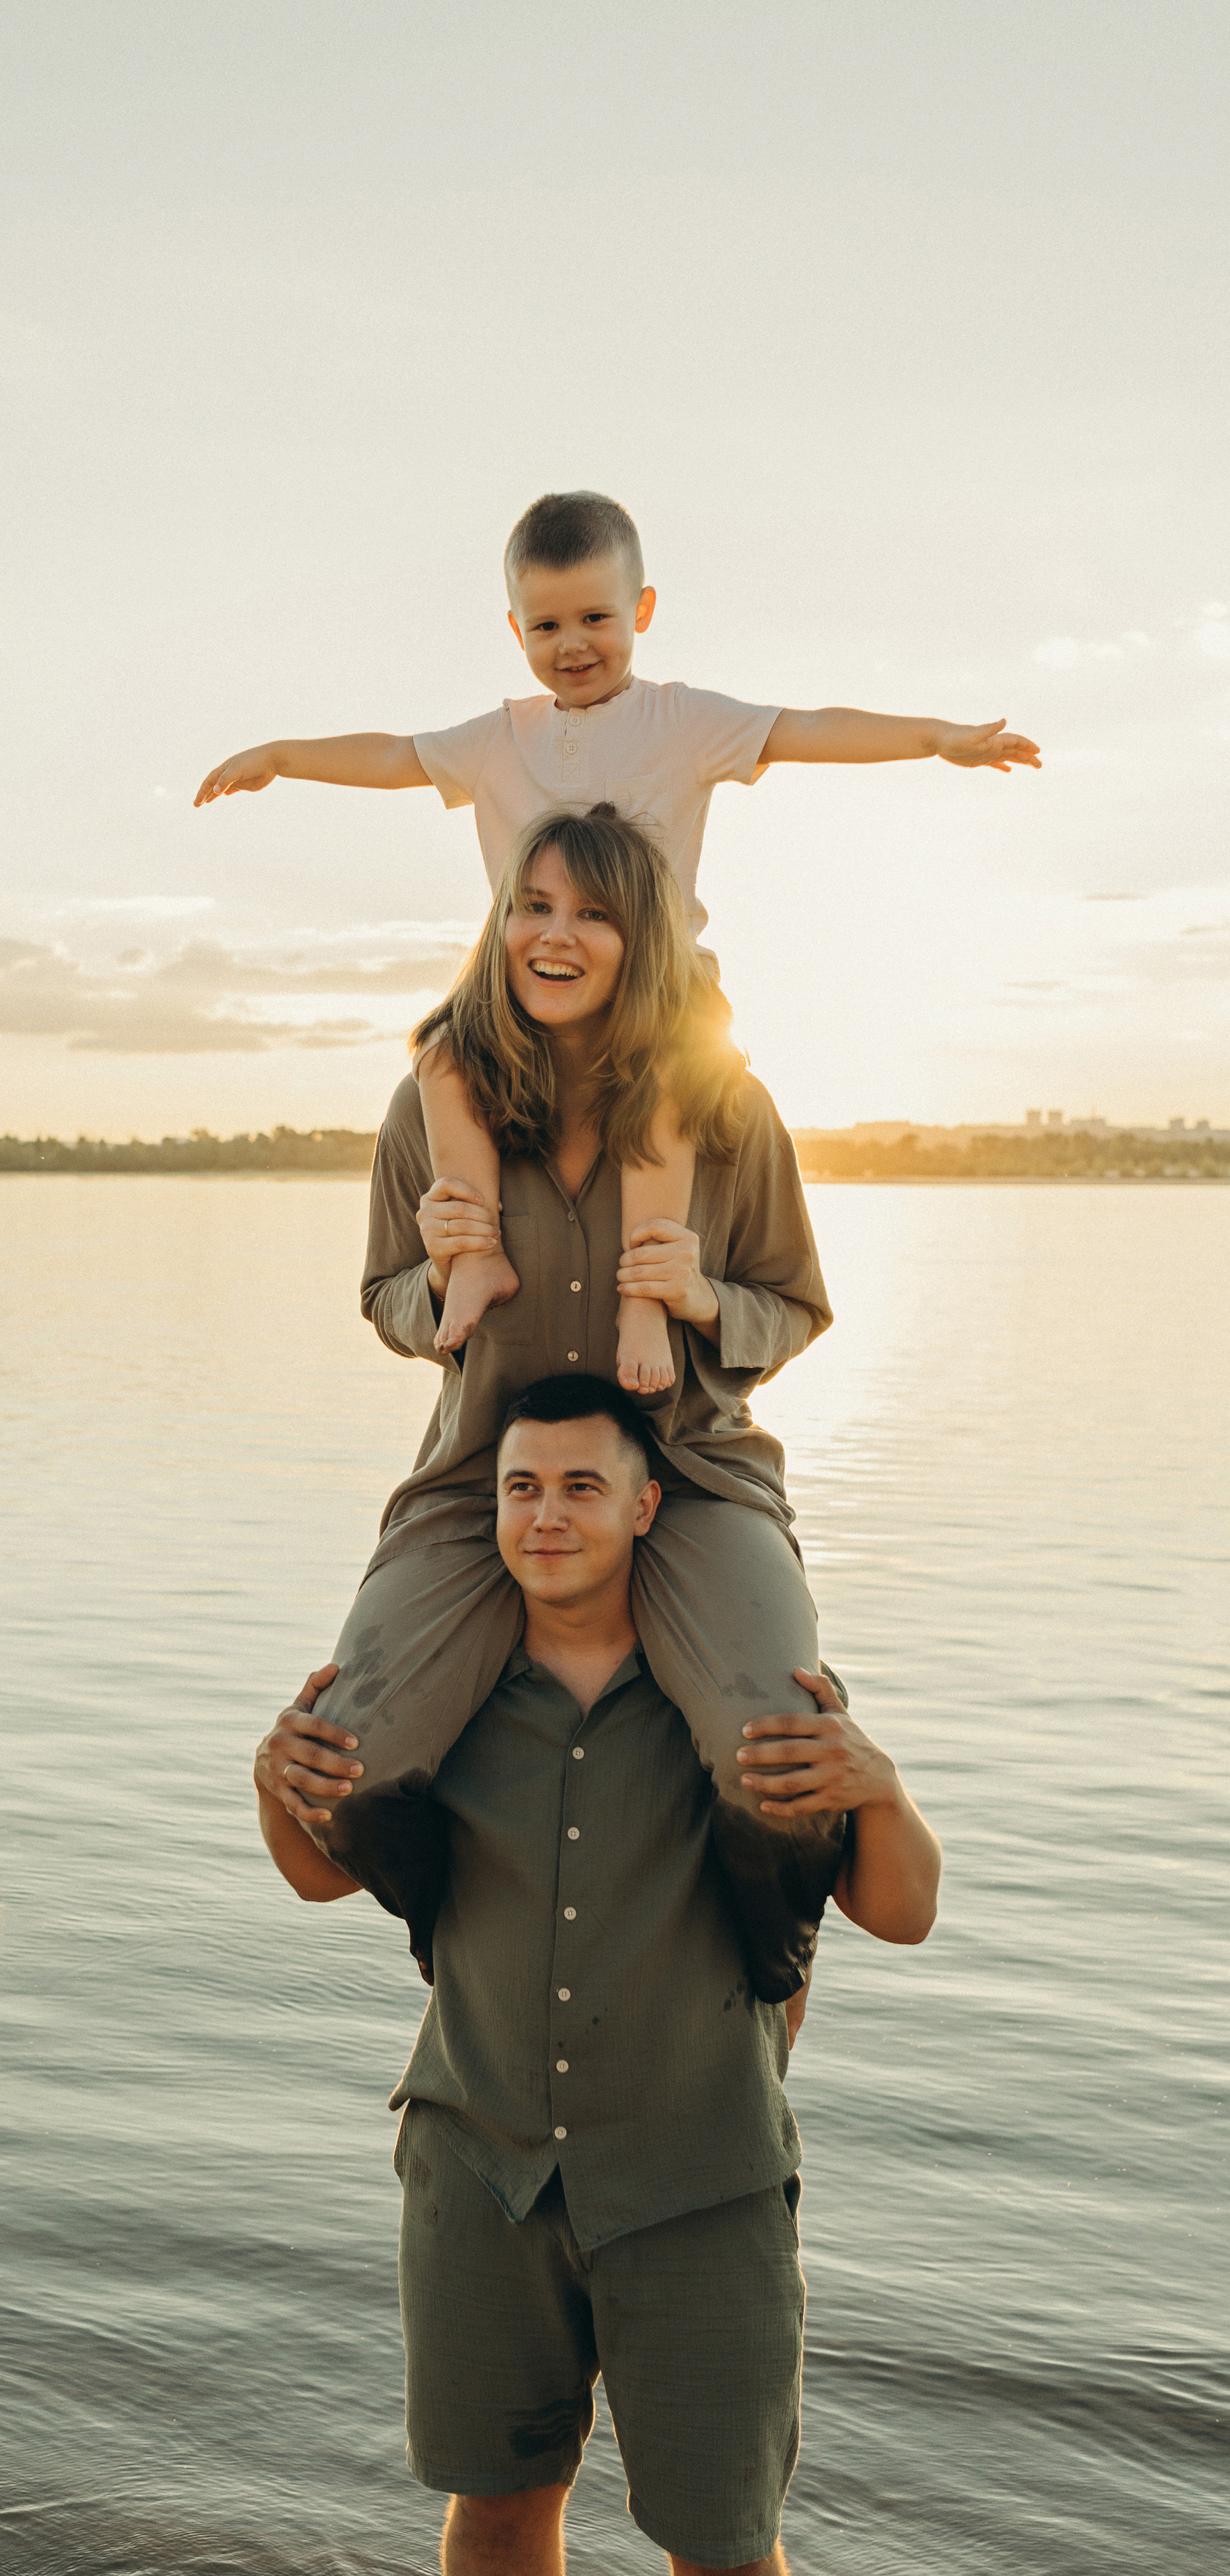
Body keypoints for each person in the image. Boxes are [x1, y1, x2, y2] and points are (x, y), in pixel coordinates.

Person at [255, 1378, 941, 2576]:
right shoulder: (437, 1701)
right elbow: (312, 1874)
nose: (548, 1516)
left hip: (703, 2185)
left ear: (647, 1505)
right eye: (522, 1487)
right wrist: (269, 1780)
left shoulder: (745, 1696)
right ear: (490, 1508)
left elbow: (900, 1915)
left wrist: (884, 1791)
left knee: (727, 2549)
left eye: (581, 1487)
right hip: (480, 2168)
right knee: (498, 2507)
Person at [195, 486, 1039, 1388]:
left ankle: (643, 1302)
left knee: (666, 1074)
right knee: (441, 1052)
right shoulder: (498, 739)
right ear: (515, 631)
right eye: (547, 625)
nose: (573, 645)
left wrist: (937, 738)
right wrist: (282, 757)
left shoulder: (684, 721)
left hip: (662, 986)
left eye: (596, 617)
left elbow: (809, 730)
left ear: (642, 611)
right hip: (526, 994)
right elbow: (393, 756)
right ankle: (474, 1257)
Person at [293, 800, 841, 1997]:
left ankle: (772, 1977)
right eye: (532, 907)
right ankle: (469, 1961)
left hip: (695, 1476)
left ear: (640, 938)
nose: (556, 936)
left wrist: (703, 1298)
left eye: (592, 914)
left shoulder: (729, 1113)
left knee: (783, 1771)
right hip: (486, 1481)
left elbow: (793, 1307)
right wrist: (435, 1283)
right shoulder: (430, 1110)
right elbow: (385, 1295)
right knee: (350, 1766)